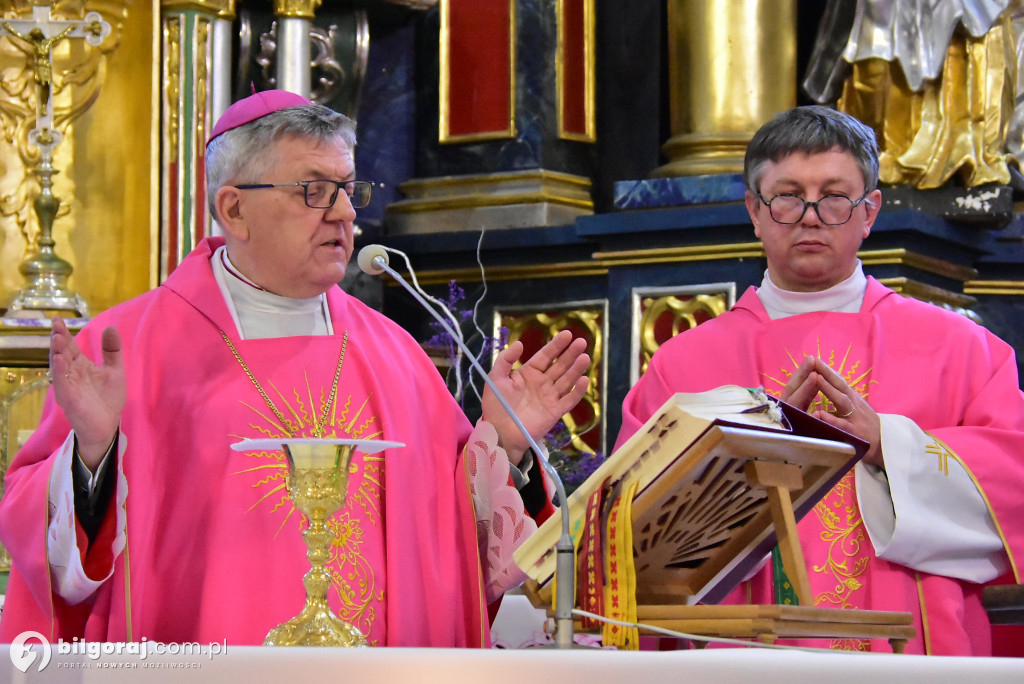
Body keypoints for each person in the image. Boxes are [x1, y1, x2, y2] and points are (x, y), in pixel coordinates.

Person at [0, 90, 590, 647]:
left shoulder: (396, 356)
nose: (342, 215)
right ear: (234, 208)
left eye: (348, 189)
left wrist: (506, 447)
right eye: (313, 190)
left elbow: (457, 558)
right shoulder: (127, 348)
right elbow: (45, 557)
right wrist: (94, 453)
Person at [616, 105, 1024, 656]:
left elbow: (1014, 488)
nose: (810, 216)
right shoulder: (682, 366)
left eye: (834, 196)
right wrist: (744, 459)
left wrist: (890, 446)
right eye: (786, 196)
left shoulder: (964, 351)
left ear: (869, 211)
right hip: (741, 654)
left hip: (913, 652)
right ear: (755, 212)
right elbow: (625, 536)